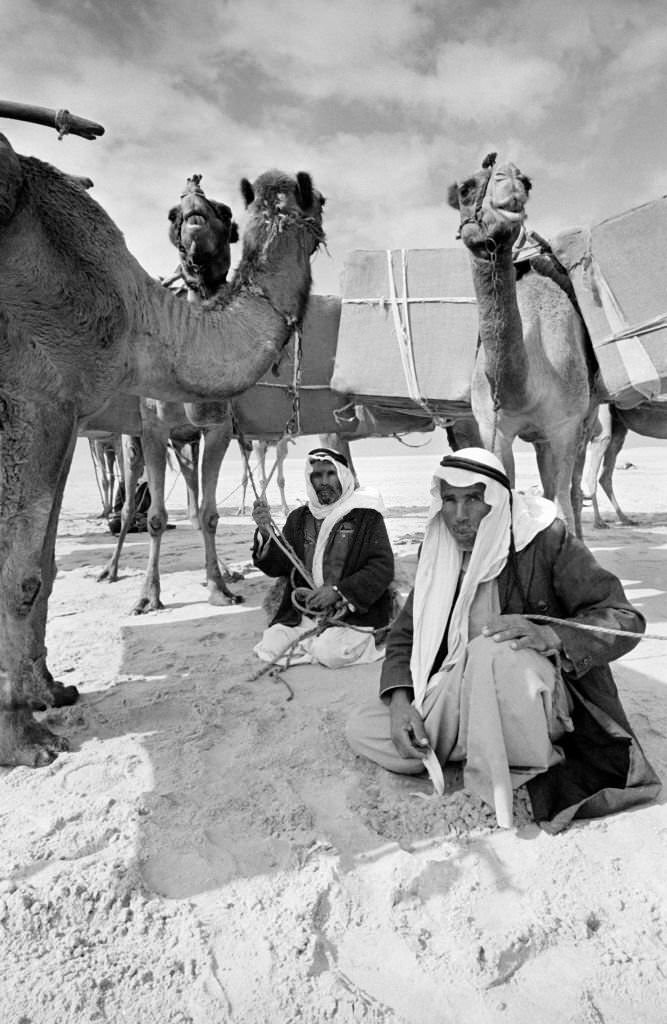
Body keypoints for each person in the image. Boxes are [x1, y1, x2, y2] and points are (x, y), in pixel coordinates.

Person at [346, 448, 660, 832]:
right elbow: (405, 635)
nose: (459, 515)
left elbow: (625, 619)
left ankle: (505, 766)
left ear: (496, 501)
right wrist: (399, 702)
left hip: (538, 700)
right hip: (460, 689)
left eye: (473, 499)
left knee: (492, 647)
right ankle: (479, 745)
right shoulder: (438, 548)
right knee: (364, 726)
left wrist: (552, 635)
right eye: (449, 500)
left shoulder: (544, 540)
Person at [251, 447, 394, 669]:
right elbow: (279, 565)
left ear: (343, 475)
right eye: (317, 475)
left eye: (330, 473)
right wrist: (266, 532)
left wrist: (338, 592)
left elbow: (381, 567)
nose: (323, 481)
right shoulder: (298, 518)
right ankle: (313, 642)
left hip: (350, 613)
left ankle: (316, 645)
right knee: (271, 643)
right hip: (305, 613)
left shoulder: (367, 517)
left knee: (330, 652)